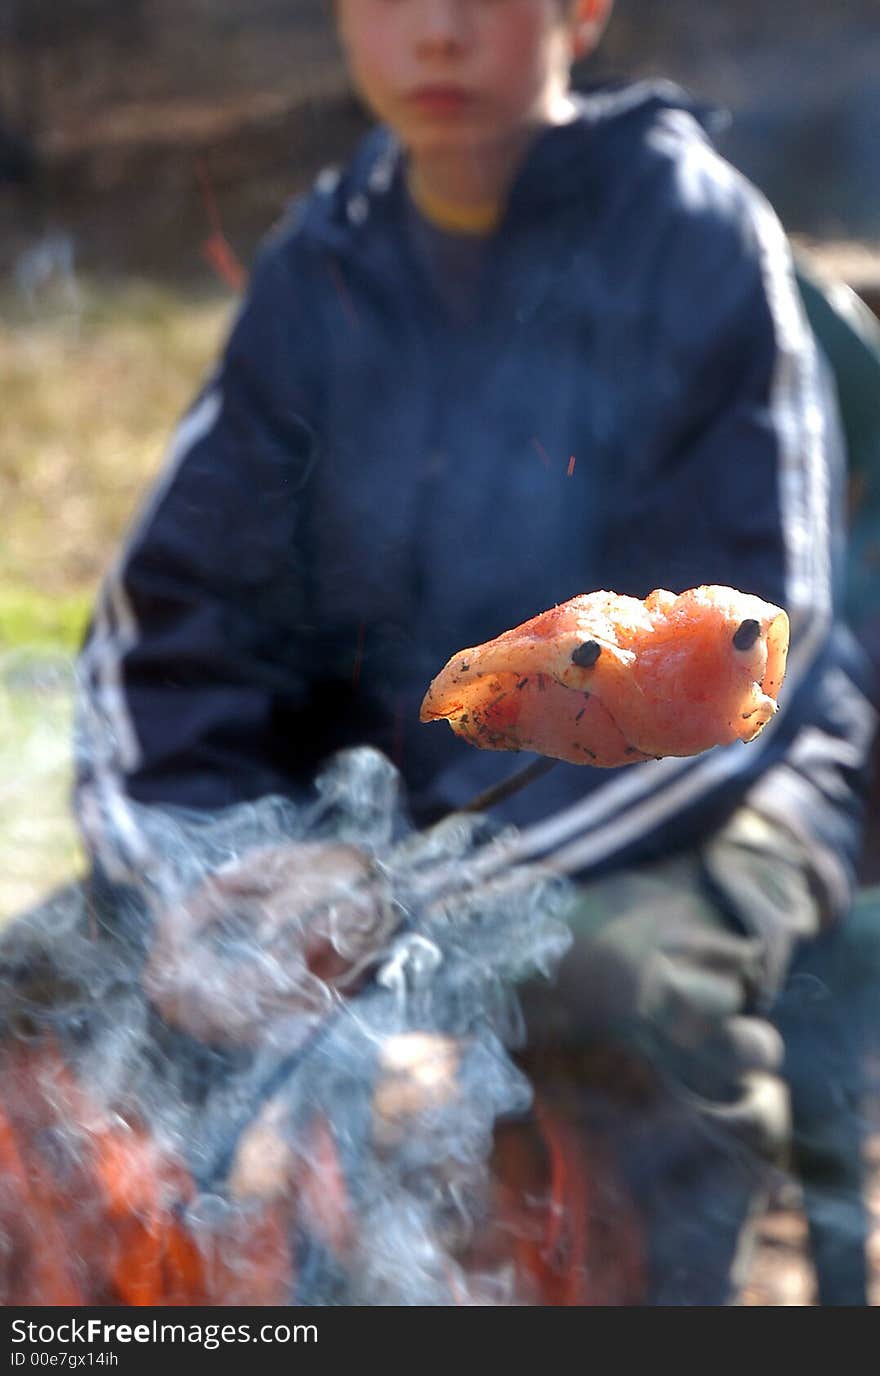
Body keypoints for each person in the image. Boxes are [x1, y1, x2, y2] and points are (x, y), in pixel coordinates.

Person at [74, 0, 876, 1304]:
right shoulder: (319, 263)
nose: (436, 34)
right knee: (59, 989)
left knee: (617, 985)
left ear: (581, 10)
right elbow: (176, 622)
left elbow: (757, 643)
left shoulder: (695, 236)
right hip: (373, 809)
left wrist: (415, 883)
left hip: (714, 794)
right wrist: (198, 863)